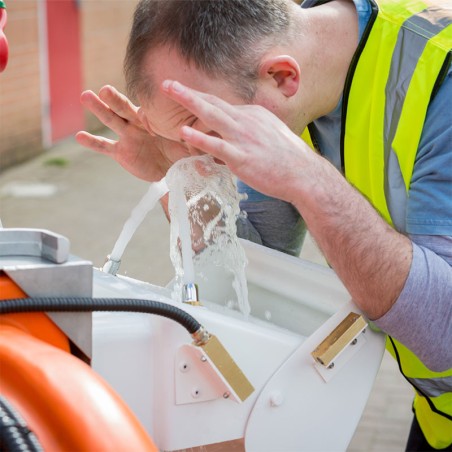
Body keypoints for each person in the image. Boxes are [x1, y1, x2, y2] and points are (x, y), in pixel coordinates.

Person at [76, 0, 452, 449]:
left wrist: (310, 179)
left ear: (281, 77)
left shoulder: (440, 80)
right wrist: (177, 175)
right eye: (180, 138)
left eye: (206, 127)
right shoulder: (285, 83)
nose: (203, 154)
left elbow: (444, 333)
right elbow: (248, 270)